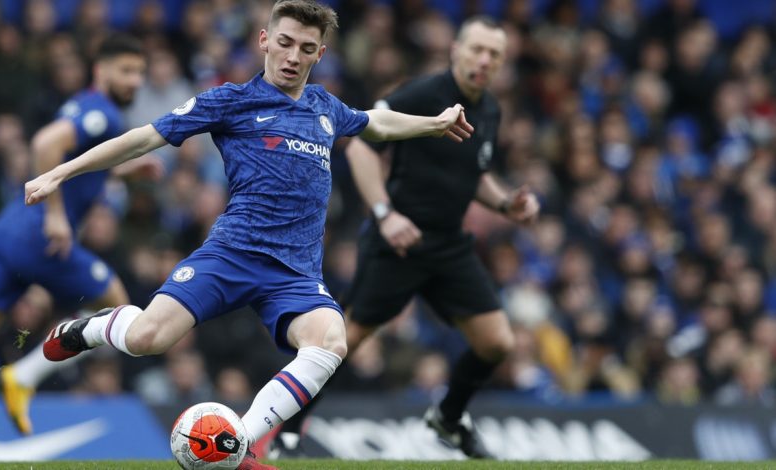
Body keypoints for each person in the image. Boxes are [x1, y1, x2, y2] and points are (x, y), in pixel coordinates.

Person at [27, 1, 472, 469]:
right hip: (233, 254)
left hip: (296, 271)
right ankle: (91, 328)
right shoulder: (230, 100)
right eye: (284, 43)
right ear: (264, 40)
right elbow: (143, 138)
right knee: (146, 338)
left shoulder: (325, 106)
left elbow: (374, 122)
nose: (293, 57)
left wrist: (433, 124)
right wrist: (62, 172)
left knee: (331, 341)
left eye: (306, 48)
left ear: (320, 54)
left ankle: (238, 442)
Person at [272, 15, 540, 460]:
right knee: (341, 343)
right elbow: (361, 147)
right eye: (476, 49)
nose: (484, 60)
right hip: (398, 243)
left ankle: (449, 417)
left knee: (497, 343)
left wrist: (505, 203)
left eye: (494, 54)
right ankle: (288, 432)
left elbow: (472, 173)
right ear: (456, 50)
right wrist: (385, 214)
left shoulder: (490, 109)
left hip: (448, 245)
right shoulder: (421, 95)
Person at [0, 33, 155, 435]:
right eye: (126, 71)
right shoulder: (103, 113)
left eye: (139, 73)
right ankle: (24, 376)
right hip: (41, 239)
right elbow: (45, 143)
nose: (135, 81)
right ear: (101, 70)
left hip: (11, 228)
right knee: (118, 308)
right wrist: (55, 215)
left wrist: (124, 170)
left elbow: (76, 161)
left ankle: (20, 378)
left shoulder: (83, 106)